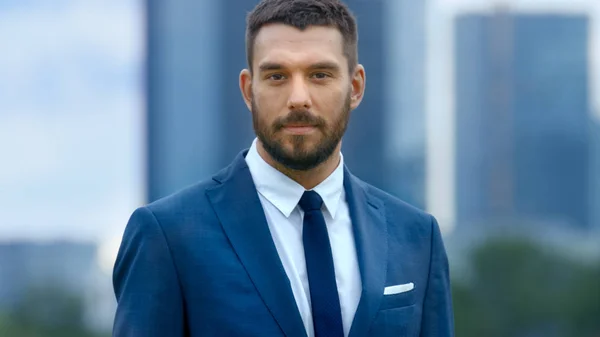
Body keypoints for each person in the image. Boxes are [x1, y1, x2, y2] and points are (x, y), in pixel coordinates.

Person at [112, 0, 454, 336]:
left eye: (320, 74)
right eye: (277, 76)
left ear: (355, 86)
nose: (298, 98)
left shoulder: (417, 237)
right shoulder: (167, 236)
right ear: (249, 90)